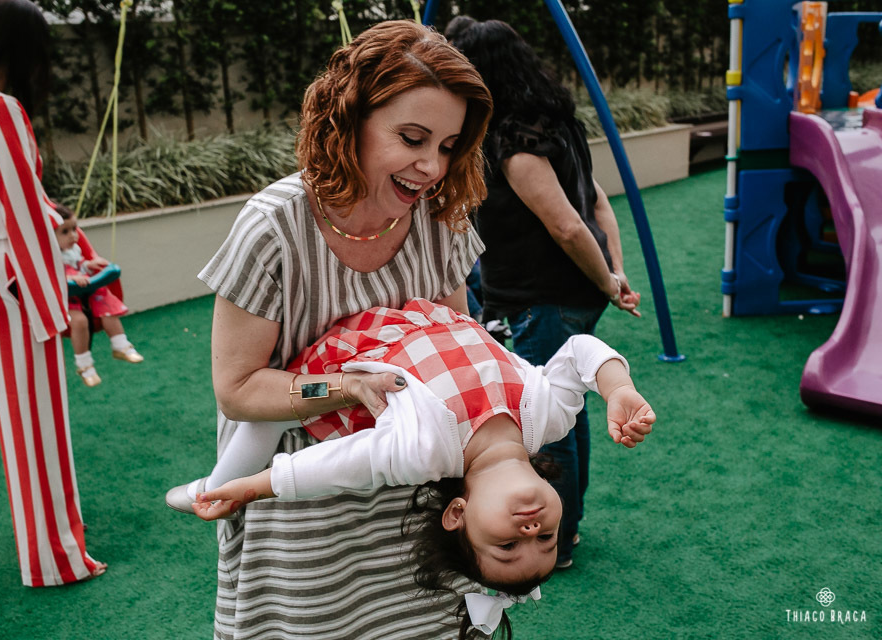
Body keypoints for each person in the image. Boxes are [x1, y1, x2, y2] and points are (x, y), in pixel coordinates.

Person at [193, 20, 494, 639]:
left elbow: (456, 351)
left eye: (447, 144)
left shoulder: (443, 224)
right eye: (412, 138)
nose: (432, 166)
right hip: (301, 512)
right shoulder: (273, 229)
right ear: (348, 120)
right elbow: (239, 389)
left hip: (411, 503)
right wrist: (342, 387)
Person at [182, 298, 654, 637]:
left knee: (278, 410)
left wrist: (252, 488)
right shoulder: (549, 418)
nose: (531, 529)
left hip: (350, 357)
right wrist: (618, 389)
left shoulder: (422, 452)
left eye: (509, 544)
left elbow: (332, 465)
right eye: (546, 538)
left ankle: (215, 484)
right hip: (428, 316)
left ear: (457, 514)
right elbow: (579, 351)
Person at [445, 17, 643, 571]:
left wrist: (610, 278)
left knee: (538, 421)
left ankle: (553, 541)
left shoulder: (515, 142)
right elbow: (599, 203)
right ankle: (568, 530)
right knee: (567, 407)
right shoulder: (552, 124)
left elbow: (569, 226)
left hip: (545, 295)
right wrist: (615, 275)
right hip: (571, 291)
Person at [0, 0, 105, 586]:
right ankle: (56, 560)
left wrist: (62, 238)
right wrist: (54, 303)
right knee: (38, 422)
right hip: (12, 268)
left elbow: (18, 200)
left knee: (21, 419)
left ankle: (50, 551)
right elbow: (26, 211)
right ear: (26, 46)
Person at [54, 204, 143, 387]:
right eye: (65, 232)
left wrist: (90, 265)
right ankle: (85, 366)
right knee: (79, 322)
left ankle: (121, 345)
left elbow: (79, 264)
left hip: (86, 294)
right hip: (66, 301)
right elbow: (50, 274)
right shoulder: (50, 254)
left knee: (107, 309)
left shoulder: (73, 250)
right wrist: (70, 277)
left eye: (74, 229)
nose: (73, 235)